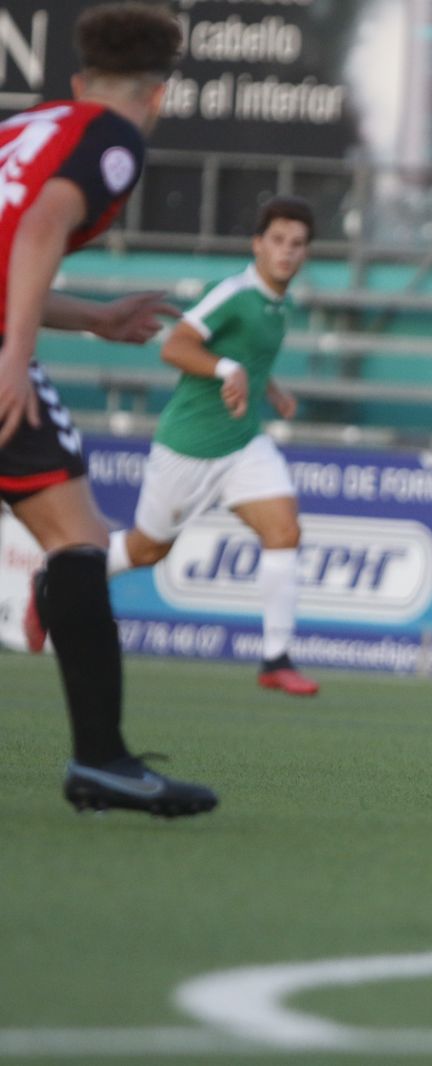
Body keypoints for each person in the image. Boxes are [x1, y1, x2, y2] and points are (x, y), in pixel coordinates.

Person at [0, 3, 216, 816]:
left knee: (73, 539)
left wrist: (91, 317)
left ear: (79, 79)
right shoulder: (113, 138)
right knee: (78, 540)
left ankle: (104, 762)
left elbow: (14, 241)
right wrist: (14, 359)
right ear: (159, 94)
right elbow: (41, 230)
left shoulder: (32, 126)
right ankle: (103, 762)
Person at [98, 197, 317, 695]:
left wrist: (271, 390)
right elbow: (176, 345)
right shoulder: (235, 293)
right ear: (257, 244)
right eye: (278, 240)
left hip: (241, 443)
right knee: (146, 549)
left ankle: (275, 659)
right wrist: (226, 369)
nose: (286, 252)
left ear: (306, 253)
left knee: (284, 530)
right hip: (190, 446)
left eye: (297, 244)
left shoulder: (277, 304)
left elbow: (248, 356)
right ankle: (59, 578)